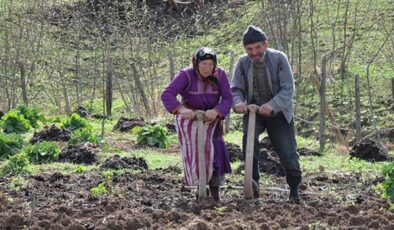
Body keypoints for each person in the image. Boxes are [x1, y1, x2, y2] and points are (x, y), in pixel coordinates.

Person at [231, 25, 302, 203]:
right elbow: (236, 89)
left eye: (257, 47)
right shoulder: (242, 63)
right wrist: (238, 103)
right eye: (249, 49)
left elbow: (288, 89)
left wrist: (272, 105)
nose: (254, 52)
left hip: (277, 111)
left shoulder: (279, 59)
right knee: (249, 143)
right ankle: (252, 182)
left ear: (265, 45)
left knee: (287, 150)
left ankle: (294, 190)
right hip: (253, 111)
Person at [161, 47, 233, 202]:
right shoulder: (186, 75)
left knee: (215, 155)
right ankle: (200, 191)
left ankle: (215, 194)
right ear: (196, 64)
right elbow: (167, 94)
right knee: (198, 155)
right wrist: (181, 109)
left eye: (210, 64)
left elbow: (228, 97)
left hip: (212, 121)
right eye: (204, 64)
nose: (207, 68)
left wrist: (217, 110)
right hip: (191, 120)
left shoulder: (219, 75)